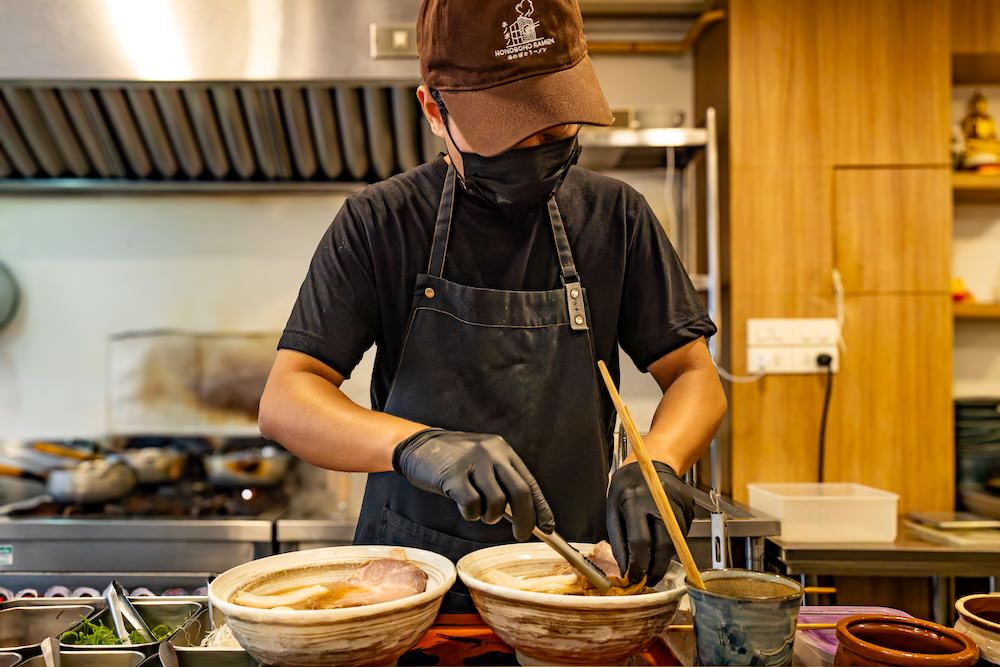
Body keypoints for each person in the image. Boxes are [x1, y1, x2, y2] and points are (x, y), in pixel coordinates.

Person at [259, 0, 727, 611]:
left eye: (555, 122)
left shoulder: (617, 218)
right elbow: (288, 400)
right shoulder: (381, 221)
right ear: (434, 109)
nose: (536, 144)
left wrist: (658, 466)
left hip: (569, 582)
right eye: (509, 126)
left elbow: (694, 375)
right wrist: (419, 446)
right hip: (412, 590)